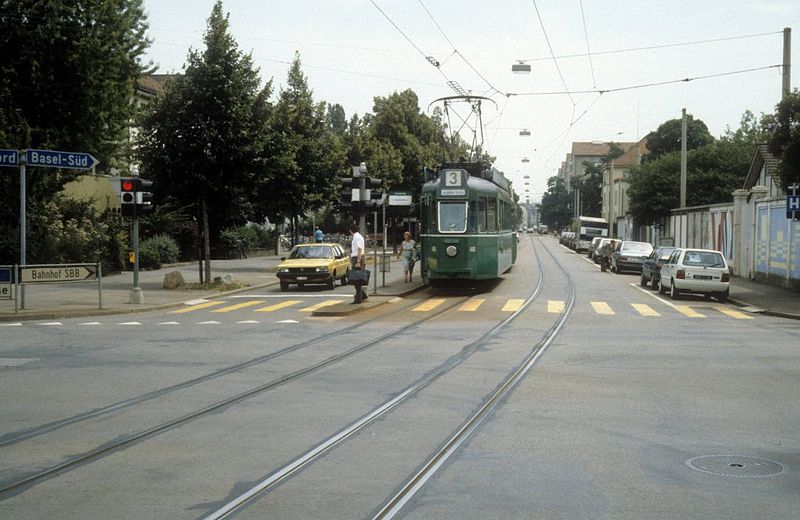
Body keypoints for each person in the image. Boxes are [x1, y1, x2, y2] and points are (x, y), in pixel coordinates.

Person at [349, 224, 368, 303]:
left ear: (350, 230)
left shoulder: (357, 237)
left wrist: (358, 261)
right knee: (358, 279)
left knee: (357, 279)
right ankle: (361, 295)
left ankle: (359, 298)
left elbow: (360, 249)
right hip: (357, 257)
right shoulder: (358, 236)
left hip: (357, 258)